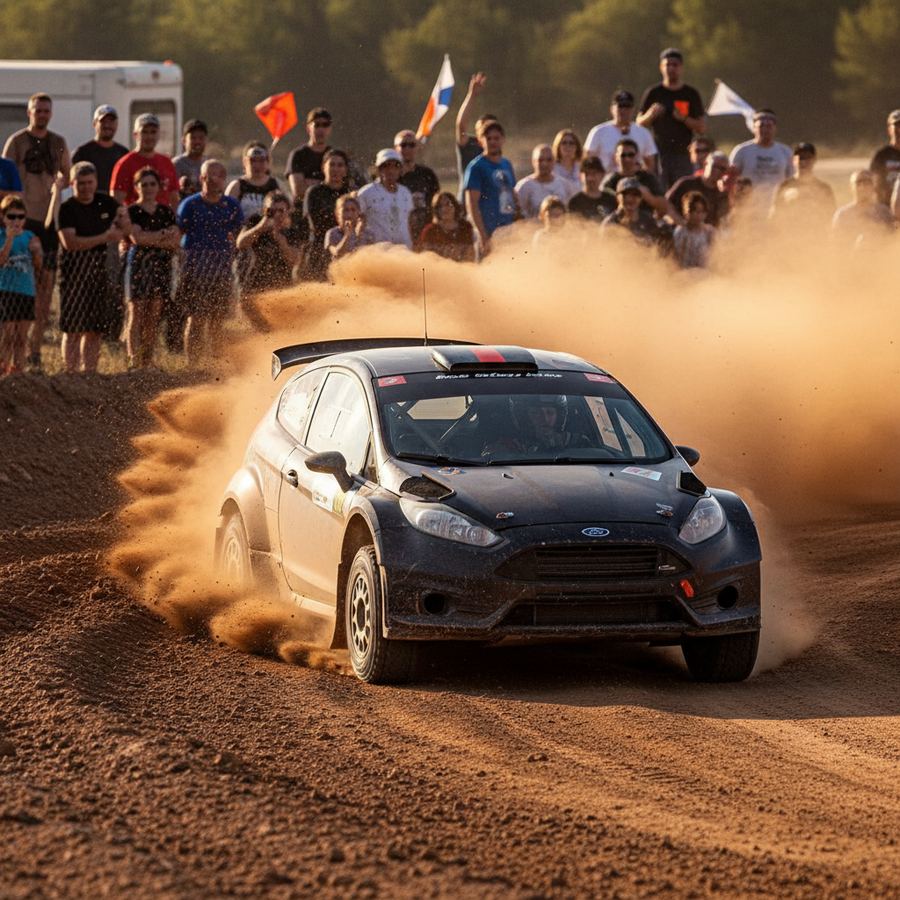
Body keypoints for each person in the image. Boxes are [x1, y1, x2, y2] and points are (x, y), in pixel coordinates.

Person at [3, 93, 71, 372]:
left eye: (46, 110)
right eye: (37, 110)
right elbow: (6, 174)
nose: (42, 114)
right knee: (16, 281)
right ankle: (9, 352)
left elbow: (67, 174)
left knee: (45, 285)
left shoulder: (58, 142)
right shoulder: (17, 141)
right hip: (22, 219)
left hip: (49, 221)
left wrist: (61, 182)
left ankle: (35, 349)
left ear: (50, 113)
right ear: (29, 112)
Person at [56, 161, 130, 373]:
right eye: (81, 183)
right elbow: (70, 243)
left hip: (100, 269)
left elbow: (125, 229)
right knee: (73, 327)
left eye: (90, 182)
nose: (86, 187)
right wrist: (105, 237)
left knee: (94, 328)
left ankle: (90, 372)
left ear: (96, 182)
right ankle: (71, 372)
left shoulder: (105, 202)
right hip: (74, 271)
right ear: (73, 183)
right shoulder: (67, 209)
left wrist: (123, 218)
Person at [175, 160, 243, 364]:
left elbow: (238, 233)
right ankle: (193, 364)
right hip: (195, 271)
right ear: (202, 178)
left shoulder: (231, 205)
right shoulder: (190, 204)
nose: (215, 179)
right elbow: (177, 234)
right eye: (210, 175)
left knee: (217, 321)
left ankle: (215, 363)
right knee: (195, 319)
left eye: (220, 175)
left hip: (221, 271)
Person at [123, 167, 180, 368]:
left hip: (161, 265)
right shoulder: (132, 211)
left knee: (154, 315)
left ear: (159, 186)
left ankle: (147, 360)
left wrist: (150, 238)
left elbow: (174, 242)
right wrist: (162, 234)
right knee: (136, 312)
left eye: (152, 184)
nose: (148, 188)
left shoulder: (166, 211)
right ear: (136, 187)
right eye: (144, 184)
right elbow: (137, 238)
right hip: (139, 265)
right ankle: (133, 359)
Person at [638, 49, 705, 189]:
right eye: (667, 64)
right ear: (661, 67)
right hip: (657, 153)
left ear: (681, 68)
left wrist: (684, 118)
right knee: (658, 190)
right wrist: (650, 115)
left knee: (683, 191)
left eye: (675, 65)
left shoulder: (690, 94)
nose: (671, 68)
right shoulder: (654, 93)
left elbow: (701, 128)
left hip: (683, 154)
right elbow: (639, 123)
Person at [235, 191, 303, 324]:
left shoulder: (293, 229)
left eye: (281, 211)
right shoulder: (256, 221)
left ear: (288, 211)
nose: (276, 215)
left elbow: (295, 260)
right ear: (264, 211)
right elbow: (240, 243)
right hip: (253, 286)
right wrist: (260, 228)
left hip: (282, 288)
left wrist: (282, 243)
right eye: (271, 211)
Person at [0, 196, 41, 374]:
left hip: (26, 291)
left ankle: (18, 372)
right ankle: (3, 369)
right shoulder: (1, 236)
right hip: (6, 291)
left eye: (20, 216)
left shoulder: (30, 237)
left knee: (21, 337)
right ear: (3, 217)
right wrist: (9, 239)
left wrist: (37, 252)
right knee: (7, 335)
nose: (16, 221)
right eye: (11, 216)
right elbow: (1, 261)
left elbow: (38, 266)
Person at [463, 119, 517, 254]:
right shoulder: (477, 167)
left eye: (496, 138)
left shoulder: (506, 164)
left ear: (503, 139)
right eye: (488, 138)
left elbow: (512, 194)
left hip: (507, 230)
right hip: (487, 231)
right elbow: (472, 204)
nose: (493, 142)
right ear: (481, 141)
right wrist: (482, 235)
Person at [729, 110, 793, 209]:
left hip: (776, 207)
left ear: (775, 128)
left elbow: (792, 179)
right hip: (748, 206)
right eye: (761, 126)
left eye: (769, 126)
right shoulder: (742, 151)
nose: (765, 130)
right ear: (754, 128)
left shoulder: (785, 152)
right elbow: (731, 178)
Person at [110, 114, 179, 207]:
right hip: (135, 215)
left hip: (162, 215)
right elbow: (116, 201)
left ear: (158, 134)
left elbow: (174, 199)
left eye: (153, 132)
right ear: (136, 135)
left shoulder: (166, 163)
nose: (149, 136)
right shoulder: (125, 164)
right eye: (144, 132)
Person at [585, 90, 658, 175]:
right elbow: (587, 161)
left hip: (634, 180)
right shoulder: (599, 132)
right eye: (620, 106)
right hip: (606, 179)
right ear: (612, 109)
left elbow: (650, 164)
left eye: (627, 107)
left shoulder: (643, 133)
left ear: (633, 109)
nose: (623, 110)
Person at [304, 149, 350, 278]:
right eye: (332, 164)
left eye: (340, 165)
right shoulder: (314, 192)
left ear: (346, 170)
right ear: (323, 167)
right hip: (319, 252)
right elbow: (316, 225)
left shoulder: (350, 193)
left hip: (345, 250)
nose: (335, 169)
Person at [356, 149, 414, 248]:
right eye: (386, 166)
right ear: (378, 169)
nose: (391, 170)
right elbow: (358, 221)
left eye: (396, 166)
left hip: (404, 250)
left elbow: (408, 222)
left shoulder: (406, 193)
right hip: (377, 251)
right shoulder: (366, 193)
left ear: (400, 170)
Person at [600, 139, 670, 218]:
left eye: (631, 155)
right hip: (617, 221)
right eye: (623, 155)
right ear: (616, 157)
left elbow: (664, 207)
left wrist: (647, 196)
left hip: (645, 221)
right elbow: (602, 206)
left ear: (637, 156)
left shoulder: (647, 178)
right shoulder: (610, 181)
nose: (627, 159)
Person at [770, 143, 835, 227]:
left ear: (814, 160)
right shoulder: (784, 187)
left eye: (808, 158)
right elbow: (775, 215)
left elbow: (831, 216)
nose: (803, 162)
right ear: (794, 160)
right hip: (791, 231)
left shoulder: (824, 188)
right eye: (800, 158)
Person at [71, 105, 128, 196]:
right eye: (103, 121)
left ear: (117, 124)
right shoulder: (82, 153)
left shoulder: (124, 154)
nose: (107, 125)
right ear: (94, 124)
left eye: (111, 121)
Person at [395, 130, 440, 244]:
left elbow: (436, 203)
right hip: (398, 233)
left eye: (412, 145)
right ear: (395, 148)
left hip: (425, 232)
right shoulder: (390, 177)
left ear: (417, 148)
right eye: (403, 145)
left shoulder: (427, 174)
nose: (407, 149)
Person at [666, 152, 731, 227]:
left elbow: (722, 221)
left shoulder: (722, 195)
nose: (718, 171)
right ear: (705, 164)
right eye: (714, 166)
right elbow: (666, 204)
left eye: (722, 169)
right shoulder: (686, 184)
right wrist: (682, 223)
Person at [831, 170, 894, 245]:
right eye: (858, 182)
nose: (862, 186)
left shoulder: (884, 213)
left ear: (874, 186)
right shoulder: (843, 215)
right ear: (851, 187)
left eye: (867, 182)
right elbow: (836, 244)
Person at [286, 107, 332, 204]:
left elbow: (343, 186)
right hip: (303, 209)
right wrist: (328, 184)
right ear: (308, 128)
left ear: (330, 129)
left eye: (325, 125)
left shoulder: (334, 155)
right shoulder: (298, 155)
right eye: (317, 125)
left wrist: (309, 182)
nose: (321, 129)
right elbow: (298, 191)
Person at [516, 144, 573, 218]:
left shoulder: (564, 185)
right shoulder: (524, 186)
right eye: (540, 160)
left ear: (554, 161)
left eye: (549, 160)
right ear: (533, 162)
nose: (545, 164)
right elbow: (518, 214)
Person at [415, 192, 475, 262]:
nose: (444, 209)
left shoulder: (465, 227)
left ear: (455, 206)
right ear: (436, 210)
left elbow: (470, 256)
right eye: (440, 206)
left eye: (448, 204)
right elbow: (424, 258)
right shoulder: (430, 231)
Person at [225, 143, 279, 219]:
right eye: (253, 160)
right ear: (245, 162)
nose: (257, 165)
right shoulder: (236, 187)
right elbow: (226, 215)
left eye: (261, 160)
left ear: (268, 161)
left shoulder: (277, 185)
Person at [601, 178, 660, 246]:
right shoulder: (611, 223)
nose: (630, 198)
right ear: (617, 197)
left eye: (635, 194)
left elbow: (656, 246)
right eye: (625, 194)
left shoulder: (649, 221)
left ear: (641, 198)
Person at [455, 73, 488, 190]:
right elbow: (461, 126)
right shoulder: (470, 144)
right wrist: (472, 95)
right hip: (467, 198)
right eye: (483, 128)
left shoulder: (498, 154)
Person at [324, 194, 374, 262]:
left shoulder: (368, 233)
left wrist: (359, 234)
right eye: (345, 210)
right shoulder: (333, 233)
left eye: (353, 210)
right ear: (337, 214)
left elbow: (370, 256)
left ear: (358, 213)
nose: (349, 214)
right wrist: (347, 235)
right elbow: (337, 253)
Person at [567, 156, 616, 222]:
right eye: (587, 174)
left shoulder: (611, 200)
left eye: (594, 174)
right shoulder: (574, 202)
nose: (590, 178)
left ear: (602, 175)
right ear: (580, 176)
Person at [672, 192, 714, 268]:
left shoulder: (709, 231)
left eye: (702, 212)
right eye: (696, 211)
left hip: (705, 272)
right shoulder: (681, 232)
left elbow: (715, 254)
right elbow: (678, 258)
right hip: (685, 272)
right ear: (687, 212)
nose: (699, 215)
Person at [869, 110, 900, 208]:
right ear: (889, 130)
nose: (899, 130)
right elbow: (873, 183)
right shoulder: (881, 156)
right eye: (896, 126)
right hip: (885, 207)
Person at [173, 119, 209, 199]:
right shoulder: (176, 164)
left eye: (201, 138)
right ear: (184, 141)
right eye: (193, 138)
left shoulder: (209, 165)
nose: (197, 142)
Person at [551, 130, 584, 197]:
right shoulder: (551, 168)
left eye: (571, 143)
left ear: (577, 147)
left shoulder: (582, 167)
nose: (567, 146)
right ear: (558, 146)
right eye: (564, 143)